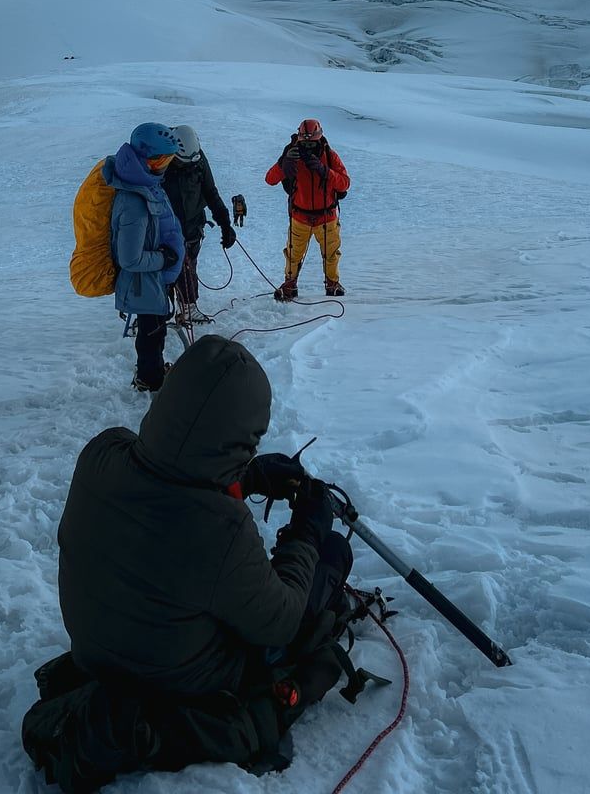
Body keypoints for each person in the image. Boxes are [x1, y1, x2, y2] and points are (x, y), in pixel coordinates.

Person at [23, 337, 355, 789]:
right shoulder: (218, 529)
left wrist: (250, 473)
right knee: (332, 555)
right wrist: (308, 530)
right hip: (182, 681)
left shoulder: (103, 452)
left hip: (98, 653)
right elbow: (281, 622)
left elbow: (167, 469)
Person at [71, 122, 186, 392]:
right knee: (151, 334)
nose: (168, 165)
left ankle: (150, 373)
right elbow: (129, 259)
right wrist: (165, 259)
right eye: (165, 159)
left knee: (154, 330)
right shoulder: (133, 201)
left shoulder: (144, 183)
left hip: (153, 279)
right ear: (151, 160)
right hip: (144, 280)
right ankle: (150, 378)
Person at [266, 118, 350, 301]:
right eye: (305, 143)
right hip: (300, 216)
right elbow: (270, 179)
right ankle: (290, 284)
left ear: (320, 139)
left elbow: (345, 184)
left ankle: (332, 283)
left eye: (312, 144)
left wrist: (325, 172)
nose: (308, 148)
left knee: (331, 254)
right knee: (293, 254)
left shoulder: (330, 156)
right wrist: (283, 163)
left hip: (326, 217)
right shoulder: (291, 155)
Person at [161, 125, 237, 327]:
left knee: (188, 268)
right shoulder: (160, 160)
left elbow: (210, 191)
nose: (188, 164)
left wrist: (225, 224)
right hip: (165, 229)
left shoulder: (198, 158)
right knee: (162, 270)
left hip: (193, 227)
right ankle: (154, 315)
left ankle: (188, 308)